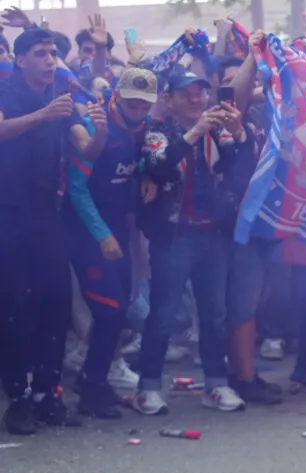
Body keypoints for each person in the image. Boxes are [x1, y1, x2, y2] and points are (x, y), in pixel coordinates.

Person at [133, 68, 255, 415]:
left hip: (213, 233)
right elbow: (156, 165)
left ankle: (216, 384)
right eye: (186, 93)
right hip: (174, 236)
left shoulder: (219, 130)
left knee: (214, 314)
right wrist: (193, 133)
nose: (195, 98)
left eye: (200, 92)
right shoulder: (158, 129)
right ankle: (149, 388)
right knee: (163, 314)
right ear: (168, 100)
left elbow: (242, 172)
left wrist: (241, 134)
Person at [0, 27, 83, 434]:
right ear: (19, 60)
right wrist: (41, 118)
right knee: (14, 307)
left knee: (55, 303)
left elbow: (86, 146)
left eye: (52, 52)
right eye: (40, 53)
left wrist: (96, 128)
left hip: (49, 215)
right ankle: (17, 396)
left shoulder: (61, 96)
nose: (50, 59)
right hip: (9, 216)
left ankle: (47, 394)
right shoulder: (6, 92)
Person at [65, 68, 160, 419]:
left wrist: (145, 176)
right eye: (132, 105)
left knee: (121, 310)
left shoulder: (145, 128)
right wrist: (101, 234)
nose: (138, 112)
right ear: (117, 97)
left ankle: (94, 380)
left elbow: (133, 165)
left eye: (144, 106)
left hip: (119, 227)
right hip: (85, 231)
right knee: (110, 310)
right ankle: (91, 387)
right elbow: (76, 187)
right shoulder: (95, 126)